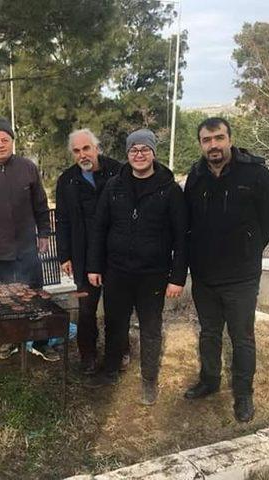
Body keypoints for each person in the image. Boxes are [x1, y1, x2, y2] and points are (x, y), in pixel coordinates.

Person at [183, 117, 269, 423]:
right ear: (201, 144)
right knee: (209, 333)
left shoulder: (255, 173)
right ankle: (209, 381)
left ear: (229, 139)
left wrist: (249, 248)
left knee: (242, 337)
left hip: (241, 276)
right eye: (207, 140)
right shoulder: (196, 176)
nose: (213, 145)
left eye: (218, 138)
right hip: (205, 275)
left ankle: (243, 394)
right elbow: (189, 222)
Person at [85, 129, 188, 406]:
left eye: (144, 149)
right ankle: (110, 371)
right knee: (114, 323)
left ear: (154, 153)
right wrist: (94, 266)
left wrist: (177, 277)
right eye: (133, 150)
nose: (139, 155)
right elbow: (99, 228)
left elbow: (181, 236)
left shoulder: (169, 189)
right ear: (127, 154)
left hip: (153, 274)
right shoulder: (114, 186)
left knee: (151, 327)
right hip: (117, 270)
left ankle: (149, 380)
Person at [0, 118, 59, 362]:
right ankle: (10, 342)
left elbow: (40, 204)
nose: (1, 144)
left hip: (28, 249)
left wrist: (45, 232)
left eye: (5, 140)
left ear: (12, 142)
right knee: (3, 301)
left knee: (36, 297)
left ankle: (41, 343)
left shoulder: (28, 168)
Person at [55, 128, 122, 375]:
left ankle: (118, 352)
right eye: (76, 151)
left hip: (115, 253)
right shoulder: (66, 180)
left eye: (86, 148)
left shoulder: (117, 170)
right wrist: (65, 256)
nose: (82, 154)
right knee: (86, 310)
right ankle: (88, 357)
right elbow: (62, 220)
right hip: (82, 255)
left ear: (96, 148)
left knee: (117, 307)